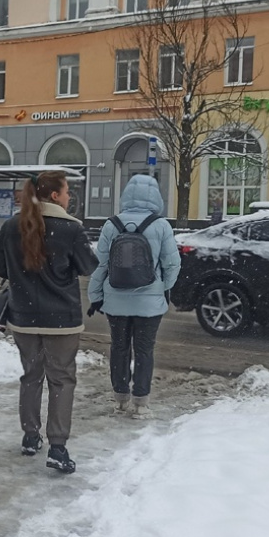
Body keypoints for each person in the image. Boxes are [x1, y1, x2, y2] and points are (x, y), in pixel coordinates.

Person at [0, 171, 98, 474]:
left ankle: (30, 436)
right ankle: (58, 447)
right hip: (62, 321)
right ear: (54, 196)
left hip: (23, 318)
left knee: (31, 376)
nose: (68, 197)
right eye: (65, 192)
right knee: (62, 380)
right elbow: (88, 265)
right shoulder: (70, 229)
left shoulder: (12, 226)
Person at [88, 175, 181, 419]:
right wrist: (163, 288)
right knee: (144, 350)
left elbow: (100, 266)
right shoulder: (161, 226)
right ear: (155, 197)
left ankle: (120, 398)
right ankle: (141, 403)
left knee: (119, 348)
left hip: (115, 300)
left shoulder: (112, 225)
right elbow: (172, 264)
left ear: (126, 195)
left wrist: (95, 295)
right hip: (149, 303)